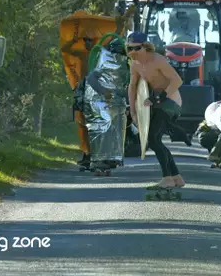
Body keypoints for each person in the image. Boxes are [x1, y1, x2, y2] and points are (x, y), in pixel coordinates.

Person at [127, 31, 186, 188]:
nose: (132, 52)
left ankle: (167, 178)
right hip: (156, 103)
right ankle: (176, 178)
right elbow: (132, 87)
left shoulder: (158, 60)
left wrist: (159, 98)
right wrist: (133, 112)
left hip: (171, 102)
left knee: (153, 139)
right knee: (156, 140)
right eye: (129, 49)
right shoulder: (135, 64)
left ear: (145, 47)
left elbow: (177, 80)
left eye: (136, 48)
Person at [82, 37, 130, 173]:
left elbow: (126, 84)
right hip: (98, 100)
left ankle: (110, 160)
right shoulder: (104, 58)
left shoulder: (125, 63)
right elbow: (92, 78)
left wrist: (128, 103)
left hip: (117, 102)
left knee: (115, 131)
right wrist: (103, 92)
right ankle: (97, 161)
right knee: (101, 128)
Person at [61, 30, 96, 169]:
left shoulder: (98, 54)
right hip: (82, 89)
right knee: (82, 123)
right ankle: (86, 155)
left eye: (89, 40)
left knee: (94, 123)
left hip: (95, 90)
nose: (87, 43)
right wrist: (74, 39)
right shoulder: (82, 53)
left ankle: (94, 156)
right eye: (85, 40)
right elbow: (65, 49)